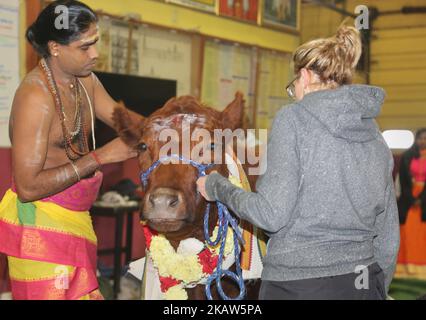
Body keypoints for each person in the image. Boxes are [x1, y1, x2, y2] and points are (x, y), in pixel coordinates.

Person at [197, 24, 400, 300]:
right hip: (364, 281)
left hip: (297, 284)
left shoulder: (293, 119)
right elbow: (387, 236)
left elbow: (271, 215)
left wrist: (216, 186)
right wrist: (378, 288)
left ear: (305, 76)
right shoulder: (373, 132)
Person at [0, 0, 143, 300]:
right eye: (84, 47)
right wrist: (101, 156)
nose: (95, 54)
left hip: (77, 219)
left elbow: (126, 122)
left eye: (95, 43)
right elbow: (27, 187)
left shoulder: (86, 81)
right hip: (39, 226)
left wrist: (179, 129)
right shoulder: (35, 97)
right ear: (54, 47)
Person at [396, 128, 426, 279]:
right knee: (407, 233)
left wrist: (422, 199)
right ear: (416, 139)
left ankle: (422, 272)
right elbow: (403, 180)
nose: (423, 141)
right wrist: (412, 199)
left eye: (425, 139)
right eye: (421, 138)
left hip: (424, 201)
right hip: (408, 201)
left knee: (422, 236)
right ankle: (404, 270)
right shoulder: (407, 156)